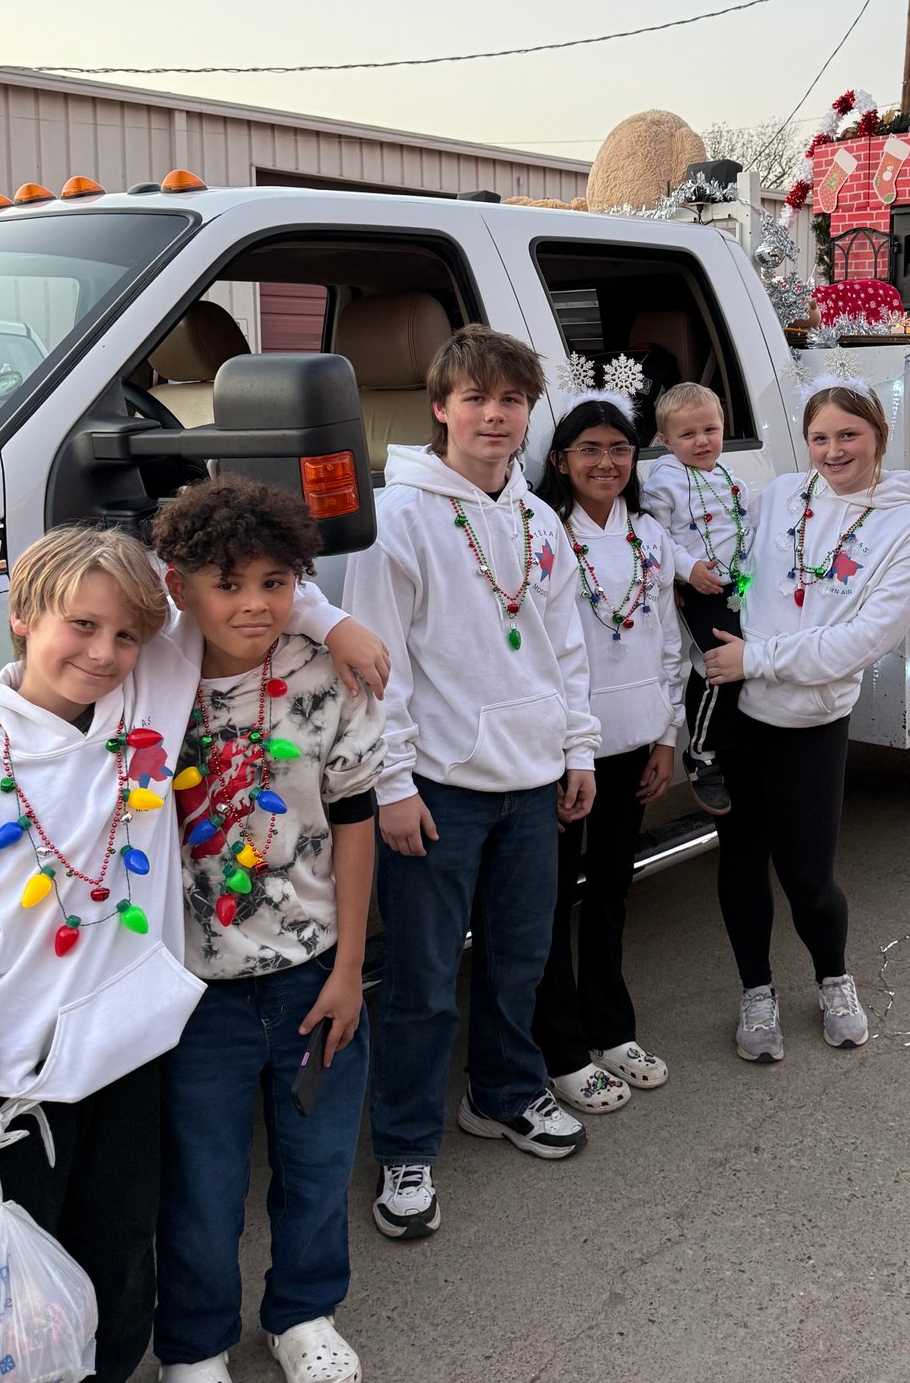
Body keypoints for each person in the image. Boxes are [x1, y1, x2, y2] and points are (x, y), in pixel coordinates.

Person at [0, 528, 389, 1383]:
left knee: (124, 1249)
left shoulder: (141, 701)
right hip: (20, 1080)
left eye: (125, 634)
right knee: (16, 1287)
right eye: (80, 628)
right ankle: (133, 1356)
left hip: (129, 1053)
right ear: (20, 619)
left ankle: (157, 1350)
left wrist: (330, 615)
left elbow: (237, 589)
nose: (104, 652)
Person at [343, 326, 601, 1245]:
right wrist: (394, 784)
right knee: (420, 983)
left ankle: (501, 1095)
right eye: (477, 400)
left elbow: (567, 645)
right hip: (440, 790)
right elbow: (381, 667)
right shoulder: (397, 519)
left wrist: (577, 751)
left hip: (533, 783)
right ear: (441, 408)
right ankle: (405, 1147)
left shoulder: (537, 521)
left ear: (529, 415)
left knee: (519, 961)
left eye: (513, 402)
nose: (495, 416)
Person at [148, 477, 384, 1383]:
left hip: (310, 974)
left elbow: (355, 815)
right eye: (228, 583)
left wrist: (350, 965)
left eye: (276, 583)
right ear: (178, 584)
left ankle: (303, 1314)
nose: (254, 604)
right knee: (201, 1183)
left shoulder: (327, 673)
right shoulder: (146, 674)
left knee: (316, 1161)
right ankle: (196, 1341)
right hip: (189, 989)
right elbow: (43, 673)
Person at [701, 381, 910, 1063]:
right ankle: (756, 993)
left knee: (808, 875)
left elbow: (859, 644)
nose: (834, 451)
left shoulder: (906, 534)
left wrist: (757, 658)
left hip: (812, 722)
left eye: (849, 435)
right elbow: (730, 558)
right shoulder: (778, 497)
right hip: (743, 714)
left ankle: (834, 979)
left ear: (878, 437)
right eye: (821, 438)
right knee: (742, 862)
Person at [530, 393, 683, 1112]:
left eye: (619, 449)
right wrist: (565, 749)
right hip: (566, 750)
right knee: (553, 899)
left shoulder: (650, 534)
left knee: (612, 893)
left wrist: (667, 733)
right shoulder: (543, 533)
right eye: (588, 449)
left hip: (633, 741)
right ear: (561, 459)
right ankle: (558, 1046)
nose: (605, 463)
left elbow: (667, 639)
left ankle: (611, 1026)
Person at [640, 382, 753, 816]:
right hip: (697, 588)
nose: (702, 441)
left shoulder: (730, 478)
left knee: (743, 663)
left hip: (735, 588)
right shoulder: (665, 483)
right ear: (665, 442)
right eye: (687, 435)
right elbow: (656, 536)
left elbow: (744, 532)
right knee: (717, 666)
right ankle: (701, 753)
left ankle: (733, 739)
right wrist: (686, 572)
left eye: (710, 429)